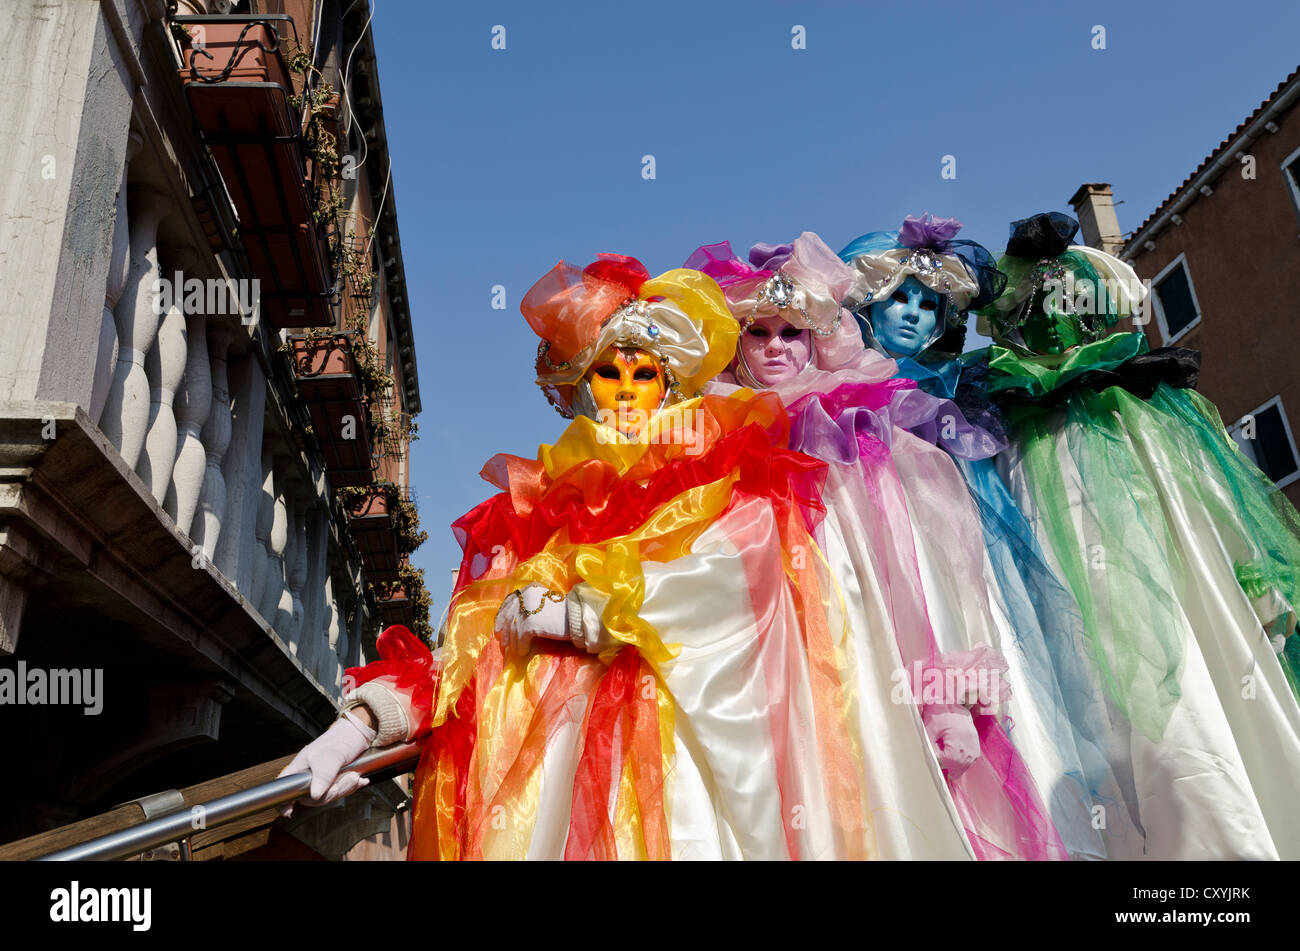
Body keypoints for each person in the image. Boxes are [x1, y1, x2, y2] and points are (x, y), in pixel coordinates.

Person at [284, 253, 882, 859]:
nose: (625, 393)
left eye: (643, 374)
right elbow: (465, 651)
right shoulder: (528, 508)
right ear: (577, 389)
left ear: (670, 385)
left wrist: (589, 616)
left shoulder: (714, 481)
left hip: (668, 777)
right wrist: (356, 728)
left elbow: (742, 583)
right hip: (533, 791)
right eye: (606, 374)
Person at [687, 231, 1067, 859]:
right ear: (735, 341)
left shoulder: (854, 412)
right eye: (760, 332)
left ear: (818, 336)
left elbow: (910, 562)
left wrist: (940, 692)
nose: (778, 346)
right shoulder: (712, 430)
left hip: (861, 609)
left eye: (793, 331)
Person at [975, 211, 1300, 858]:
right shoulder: (1010, 436)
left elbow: (1207, 498)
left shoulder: (1142, 403)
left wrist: (1257, 579)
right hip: (1073, 626)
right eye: (1036, 307)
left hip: (1175, 604)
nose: (1054, 318)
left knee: (1190, 740)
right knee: (1116, 761)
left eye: (1070, 301)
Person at [839, 215, 1114, 859]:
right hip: (879, 572)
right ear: (867, 306)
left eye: (928, 304)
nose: (911, 314)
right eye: (897, 298)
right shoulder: (835, 395)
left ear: (944, 320)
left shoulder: (962, 386)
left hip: (963, 565)